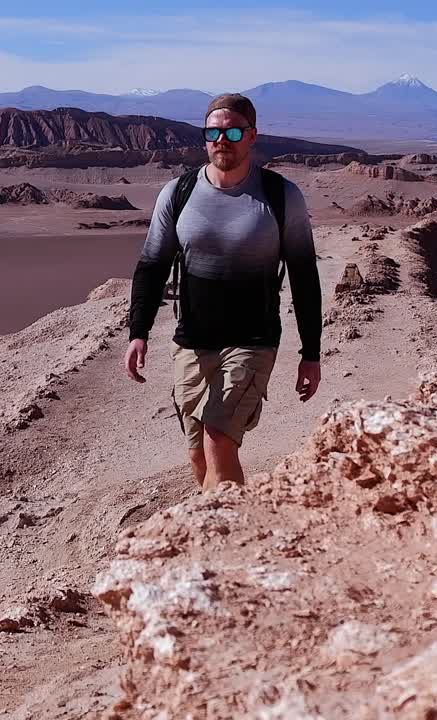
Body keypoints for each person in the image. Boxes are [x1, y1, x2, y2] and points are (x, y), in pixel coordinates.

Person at [124, 93, 322, 490]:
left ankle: (235, 542)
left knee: (218, 440)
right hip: (194, 340)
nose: (222, 140)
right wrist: (138, 332)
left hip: (253, 339)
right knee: (197, 453)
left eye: (232, 131)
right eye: (213, 132)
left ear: (252, 136)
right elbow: (152, 265)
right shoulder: (177, 194)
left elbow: (303, 275)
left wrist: (310, 353)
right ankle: (212, 525)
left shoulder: (281, 197)